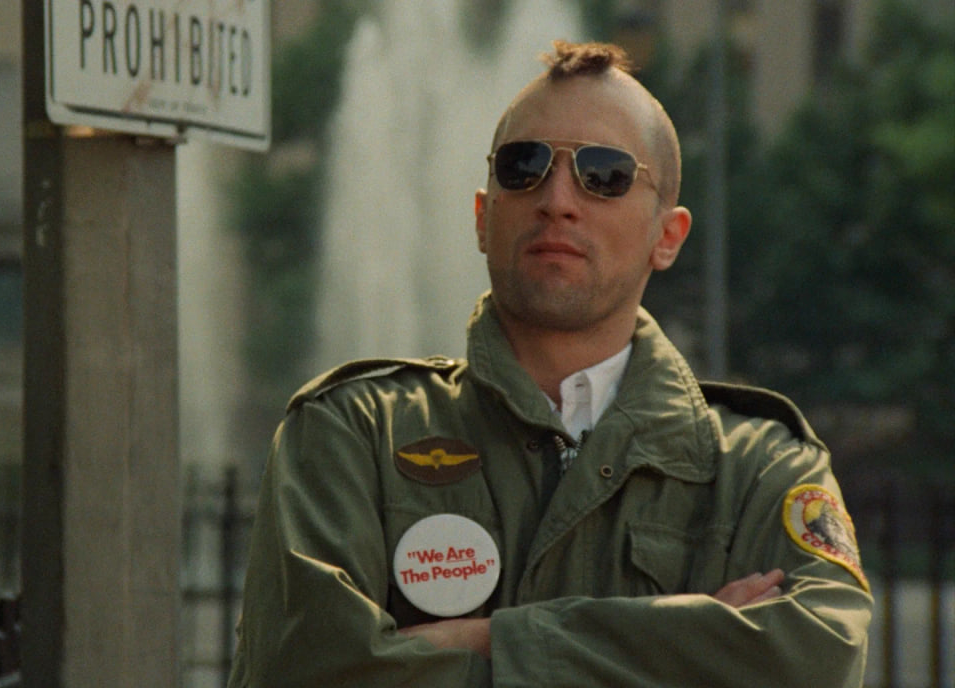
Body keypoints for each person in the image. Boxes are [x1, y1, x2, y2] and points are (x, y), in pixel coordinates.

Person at [227, 40, 872, 687]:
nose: (557, 198)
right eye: (523, 166)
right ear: (483, 218)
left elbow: (816, 658)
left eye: (605, 174)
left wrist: (488, 641)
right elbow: (305, 672)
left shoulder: (758, 467)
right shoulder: (354, 433)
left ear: (667, 236)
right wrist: (691, 639)